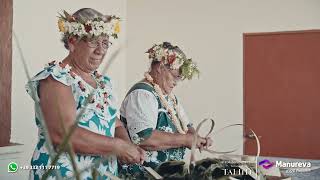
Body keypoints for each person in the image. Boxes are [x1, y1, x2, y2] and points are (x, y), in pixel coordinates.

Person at [25, 8, 144, 180]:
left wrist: (126, 144)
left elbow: (113, 123)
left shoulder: (103, 83)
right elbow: (63, 135)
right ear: (73, 41)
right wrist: (118, 147)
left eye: (105, 42)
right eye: (93, 42)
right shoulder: (56, 78)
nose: (100, 50)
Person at [119, 42, 213, 177]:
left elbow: (187, 127)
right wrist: (187, 140)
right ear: (160, 67)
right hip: (144, 175)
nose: (176, 82)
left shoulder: (170, 97)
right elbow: (144, 138)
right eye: (175, 76)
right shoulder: (142, 94)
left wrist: (198, 139)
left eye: (180, 78)